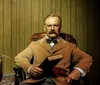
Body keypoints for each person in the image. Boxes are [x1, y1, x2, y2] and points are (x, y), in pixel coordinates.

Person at [14, 14, 93, 85]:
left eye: (55, 25)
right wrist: (29, 68)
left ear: (60, 28)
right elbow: (19, 58)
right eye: (49, 26)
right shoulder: (34, 45)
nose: (52, 28)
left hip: (60, 82)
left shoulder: (70, 46)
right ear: (45, 28)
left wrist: (77, 71)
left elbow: (87, 58)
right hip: (36, 81)